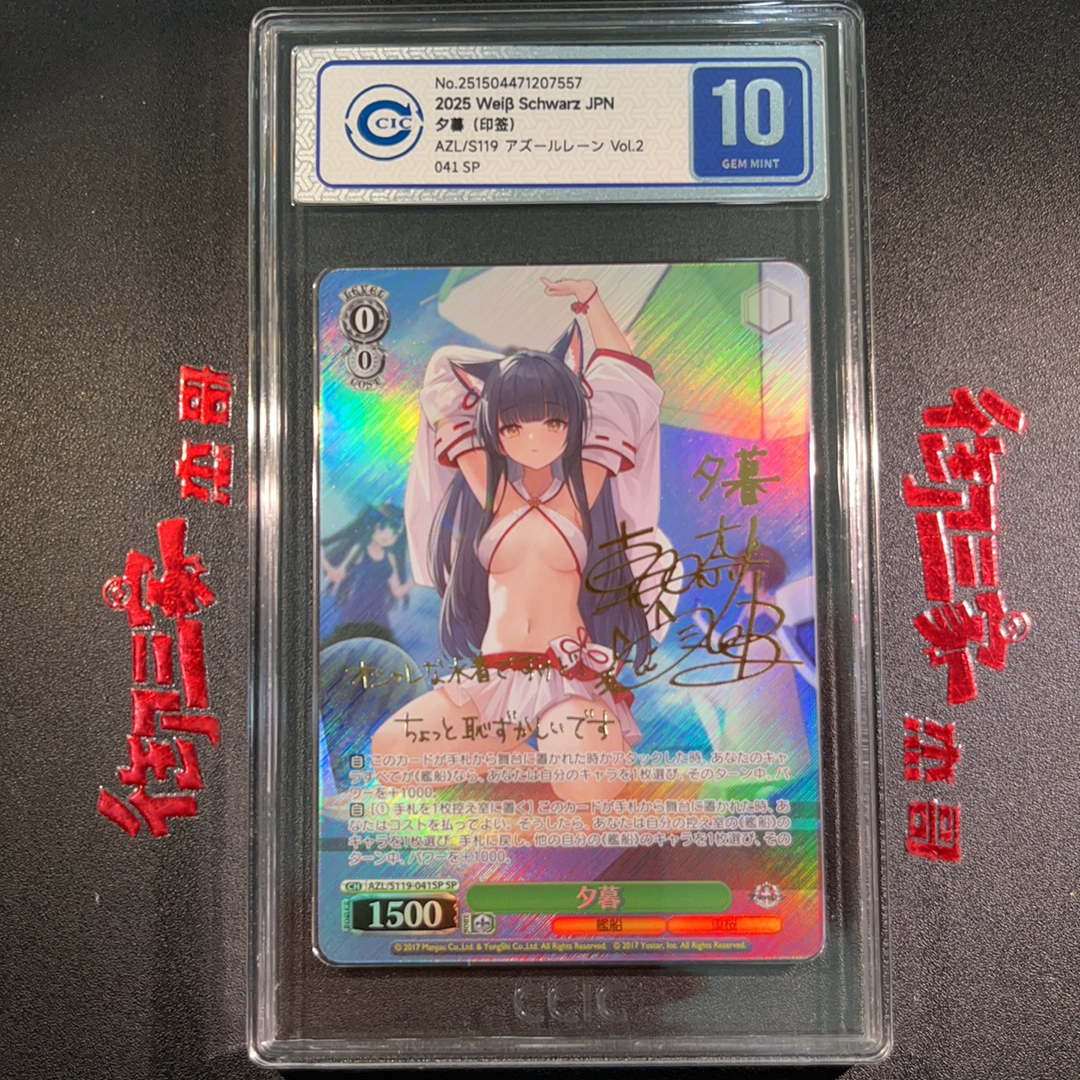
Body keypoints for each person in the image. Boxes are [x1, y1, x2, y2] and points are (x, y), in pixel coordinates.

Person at [373, 278, 663, 801]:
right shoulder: (488, 488)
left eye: (552, 421)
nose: (534, 439)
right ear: (494, 427)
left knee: (587, 786)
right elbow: (442, 373)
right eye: (513, 426)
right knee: (391, 755)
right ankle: (510, 747)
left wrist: (592, 302)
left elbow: (623, 376)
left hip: (566, 678)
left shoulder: (583, 488)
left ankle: (566, 748)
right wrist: (514, 375)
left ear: (573, 421)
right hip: (493, 681)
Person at [320, 503, 413, 649]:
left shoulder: (390, 558)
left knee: (380, 654)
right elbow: (337, 576)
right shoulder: (360, 550)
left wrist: (417, 580)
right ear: (373, 526)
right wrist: (322, 558)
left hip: (379, 616)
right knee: (349, 651)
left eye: (395, 533)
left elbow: (397, 591)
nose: (388, 536)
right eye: (382, 528)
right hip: (356, 613)